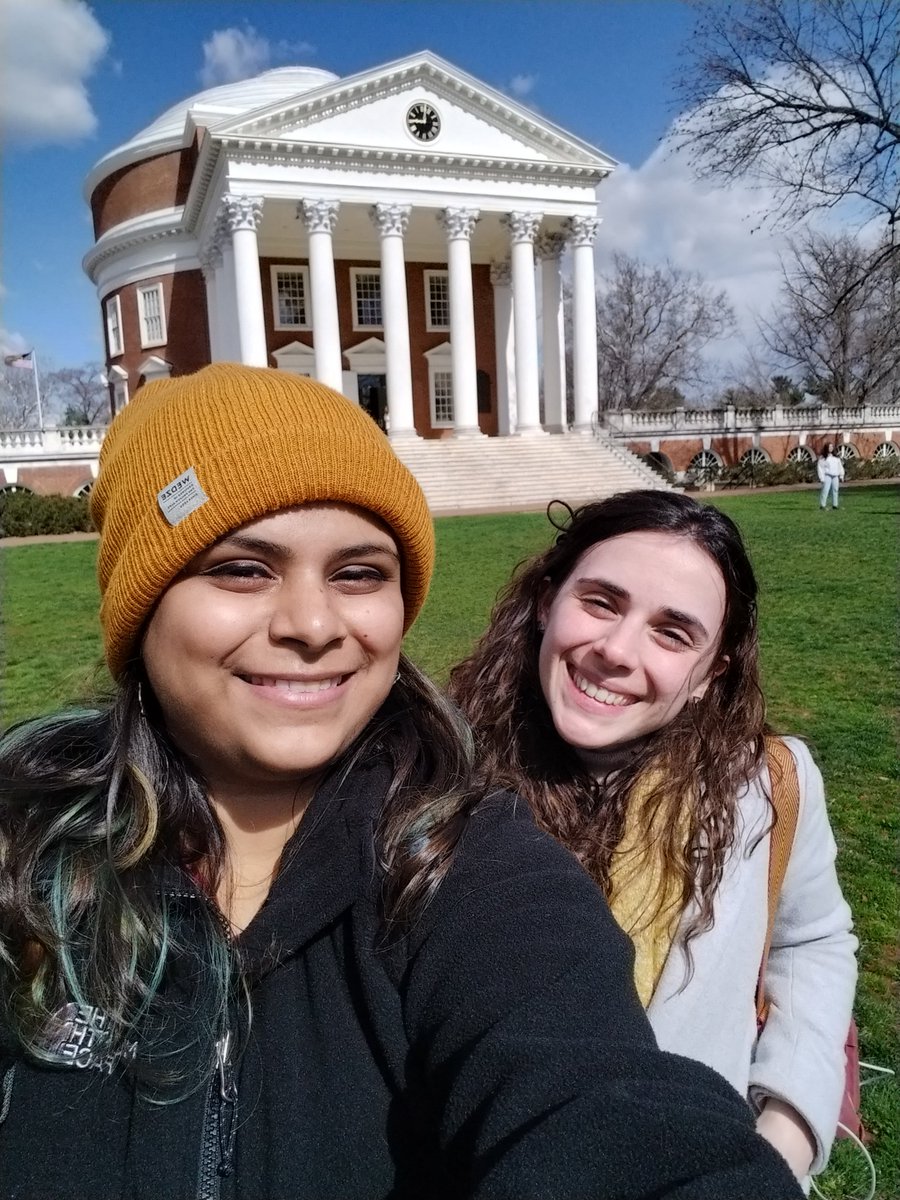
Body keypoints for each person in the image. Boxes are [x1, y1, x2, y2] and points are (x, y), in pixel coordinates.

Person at [0, 369, 804, 1200]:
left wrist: (789, 1120)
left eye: (358, 574)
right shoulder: (26, 858)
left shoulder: (464, 861)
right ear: (141, 607)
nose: (313, 626)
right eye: (241, 569)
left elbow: (605, 1102)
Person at [450, 489, 857, 1187]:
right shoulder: (440, 775)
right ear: (547, 601)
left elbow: (812, 941)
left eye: (673, 633)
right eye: (601, 602)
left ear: (711, 673)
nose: (615, 651)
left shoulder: (766, 788)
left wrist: (786, 1132)